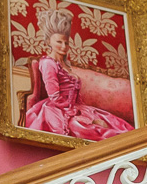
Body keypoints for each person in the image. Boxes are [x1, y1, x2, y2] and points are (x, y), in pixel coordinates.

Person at [24, 8, 134, 141]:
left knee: (112, 123)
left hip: (75, 107)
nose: (63, 46)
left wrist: (85, 112)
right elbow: (55, 97)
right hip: (58, 110)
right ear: (48, 42)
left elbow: (75, 97)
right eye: (59, 42)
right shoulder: (48, 63)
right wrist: (76, 113)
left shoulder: (65, 65)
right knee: (85, 127)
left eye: (66, 43)